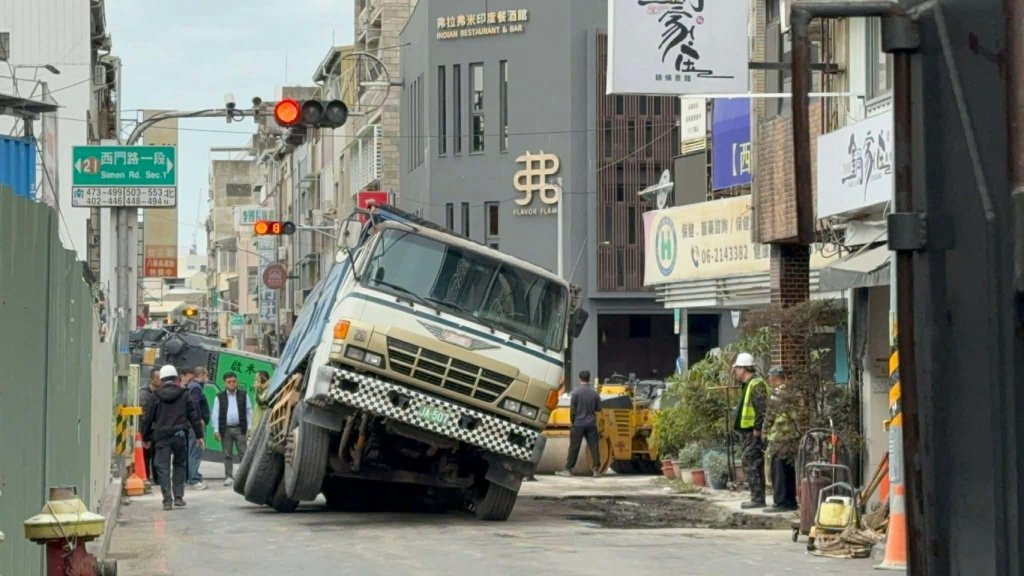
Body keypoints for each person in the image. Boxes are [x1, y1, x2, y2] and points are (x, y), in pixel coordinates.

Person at [142, 365, 204, 511]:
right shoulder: (184, 394)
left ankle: (167, 500)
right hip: (180, 436)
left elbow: (147, 419)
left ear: (162, 379)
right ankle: (178, 497)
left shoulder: (155, 397)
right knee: (179, 465)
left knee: (162, 468)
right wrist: (199, 435)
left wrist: (146, 437)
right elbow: (193, 416)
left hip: (162, 437)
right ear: (176, 377)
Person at [732, 353, 769, 509]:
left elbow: (761, 409)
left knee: (752, 463)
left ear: (743, 369)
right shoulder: (749, 384)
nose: (735, 372)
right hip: (747, 432)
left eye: (736, 368)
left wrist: (757, 428)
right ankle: (756, 496)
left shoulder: (756, 385)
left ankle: (757, 498)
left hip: (752, 433)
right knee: (750, 463)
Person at [555, 370, 602, 478]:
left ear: (579, 378)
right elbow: (598, 409)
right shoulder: (594, 393)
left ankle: (568, 469)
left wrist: (573, 421)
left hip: (578, 424)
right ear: (589, 378)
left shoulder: (575, 392)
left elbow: (572, 410)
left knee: (574, 447)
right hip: (591, 424)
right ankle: (596, 470)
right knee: (594, 447)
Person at [765, 366, 798, 513]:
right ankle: (790, 500)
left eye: (770, 378)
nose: (769, 381)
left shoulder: (777, 394)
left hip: (778, 437)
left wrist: (764, 430)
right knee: (789, 470)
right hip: (791, 436)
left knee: (778, 471)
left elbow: (770, 416)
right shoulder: (793, 393)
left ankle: (781, 501)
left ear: (774, 378)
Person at [212, 372, 252, 486]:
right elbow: (216, 413)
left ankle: (244, 476)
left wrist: (249, 427)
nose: (232, 384)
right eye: (229, 382)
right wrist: (216, 430)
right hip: (225, 429)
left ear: (237, 382)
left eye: (234, 381)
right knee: (227, 454)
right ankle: (229, 476)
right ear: (225, 383)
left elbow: (249, 411)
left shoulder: (244, 394)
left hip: (240, 428)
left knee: (243, 453)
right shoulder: (219, 396)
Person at [185, 367, 211, 490]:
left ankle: (193, 476)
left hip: (192, 423)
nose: (207, 377)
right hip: (196, 424)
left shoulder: (193, 386)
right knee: (195, 451)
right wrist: (199, 420)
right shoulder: (196, 387)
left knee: (191, 451)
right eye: (206, 375)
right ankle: (194, 479)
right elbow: (194, 405)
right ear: (201, 374)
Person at [140, 368, 161, 484]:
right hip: (147, 430)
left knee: (158, 457)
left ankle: (158, 479)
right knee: (146, 456)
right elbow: (142, 417)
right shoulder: (144, 394)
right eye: (158, 378)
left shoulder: (163, 393)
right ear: (152, 379)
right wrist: (144, 435)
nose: (160, 381)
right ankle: (146, 477)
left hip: (158, 430)